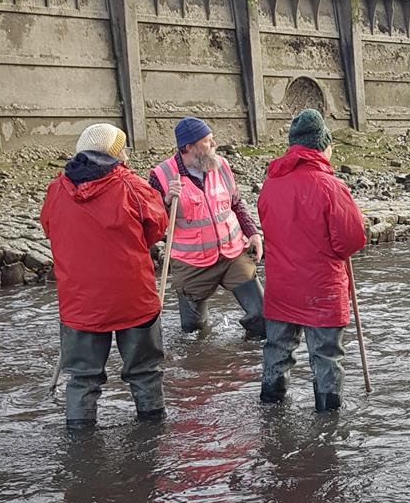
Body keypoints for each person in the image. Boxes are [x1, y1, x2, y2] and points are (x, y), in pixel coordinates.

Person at [40, 124, 168, 428]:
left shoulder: (56, 190)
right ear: (115, 153)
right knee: (145, 371)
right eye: (122, 148)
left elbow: (50, 229)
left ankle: (79, 442)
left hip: (79, 303)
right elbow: (156, 228)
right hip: (132, 298)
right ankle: (153, 431)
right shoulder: (133, 186)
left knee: (82, 378)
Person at [257, 109, 367, 412]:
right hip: (322, 288)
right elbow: (352, 240)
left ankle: (271, 407)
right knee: (326, 356)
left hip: (282, 287)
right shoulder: (330, 186)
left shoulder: (271, 183)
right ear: (322, 146)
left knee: (277, 350)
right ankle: (328, 422)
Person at [148, 116, 265, 338]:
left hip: (232, 254)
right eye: (207, 141)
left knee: (262, 317)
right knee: (193, 334)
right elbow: (151, 223)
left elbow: (236, 204)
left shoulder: (221, 165)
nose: (214, 145)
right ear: (188, 147)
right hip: (192, 264)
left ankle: (245, 361)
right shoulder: (161, 176)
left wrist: (253, 233)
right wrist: (165, 203)